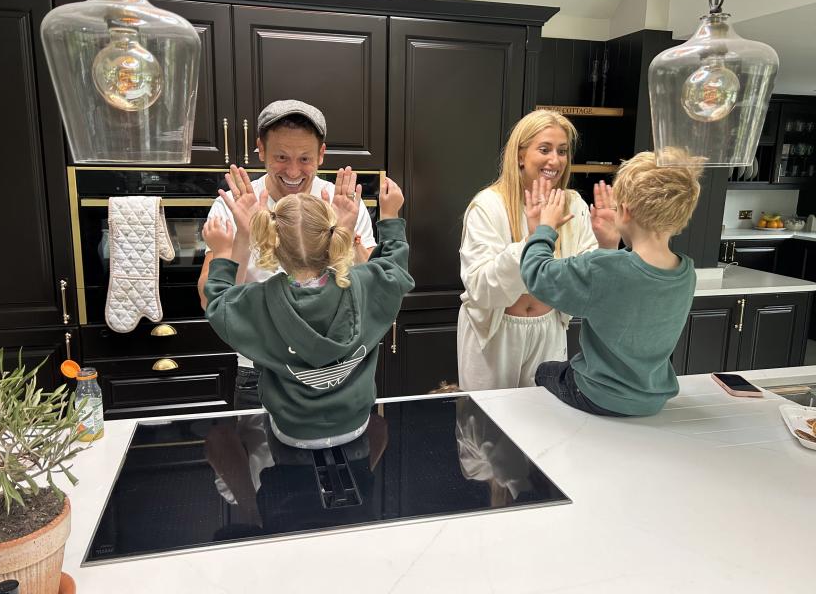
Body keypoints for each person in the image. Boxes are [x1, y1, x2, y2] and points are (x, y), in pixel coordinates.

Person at [202, 172, 414, 448]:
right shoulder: (364, 283)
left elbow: (218, 304)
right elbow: (395, 268)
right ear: (332, 237)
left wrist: (222, 253)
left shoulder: (260, 301)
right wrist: (390, 215)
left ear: (272, 245)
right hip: (356, 424)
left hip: (290, 432)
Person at [197, 100, 378, 409]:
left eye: (305, 158)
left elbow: (373, 289)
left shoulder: (342, 203)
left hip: (336, 362)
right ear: (261, 150)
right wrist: (243, 233)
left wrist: (347, 236)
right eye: (281, 157)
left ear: (321, 154)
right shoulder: (235, 205)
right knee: (261, 455)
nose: (293, 171)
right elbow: (209, 298)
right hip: (259, 367)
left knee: (345, 452)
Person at [521, 148, 700, 416]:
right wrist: (608, 245)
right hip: (651, 399)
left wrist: (543, 228)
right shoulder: (686, 273)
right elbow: (621, 293)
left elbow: (536, 274)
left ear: (625, 212)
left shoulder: (604, 268)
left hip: (597, 395)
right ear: (679, 219)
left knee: (545, 371)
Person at [457, 109, 616, 391]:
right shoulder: (488, 206)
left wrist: (608, 245)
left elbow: (589, 284)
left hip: (549, 331)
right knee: (486, 427)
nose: (555, 160)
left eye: (563, 151)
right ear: (520, 155)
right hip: (495, 334)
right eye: (545, 149)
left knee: (546, 424)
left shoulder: (573, 205)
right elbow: (481, 288)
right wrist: (535, 239)